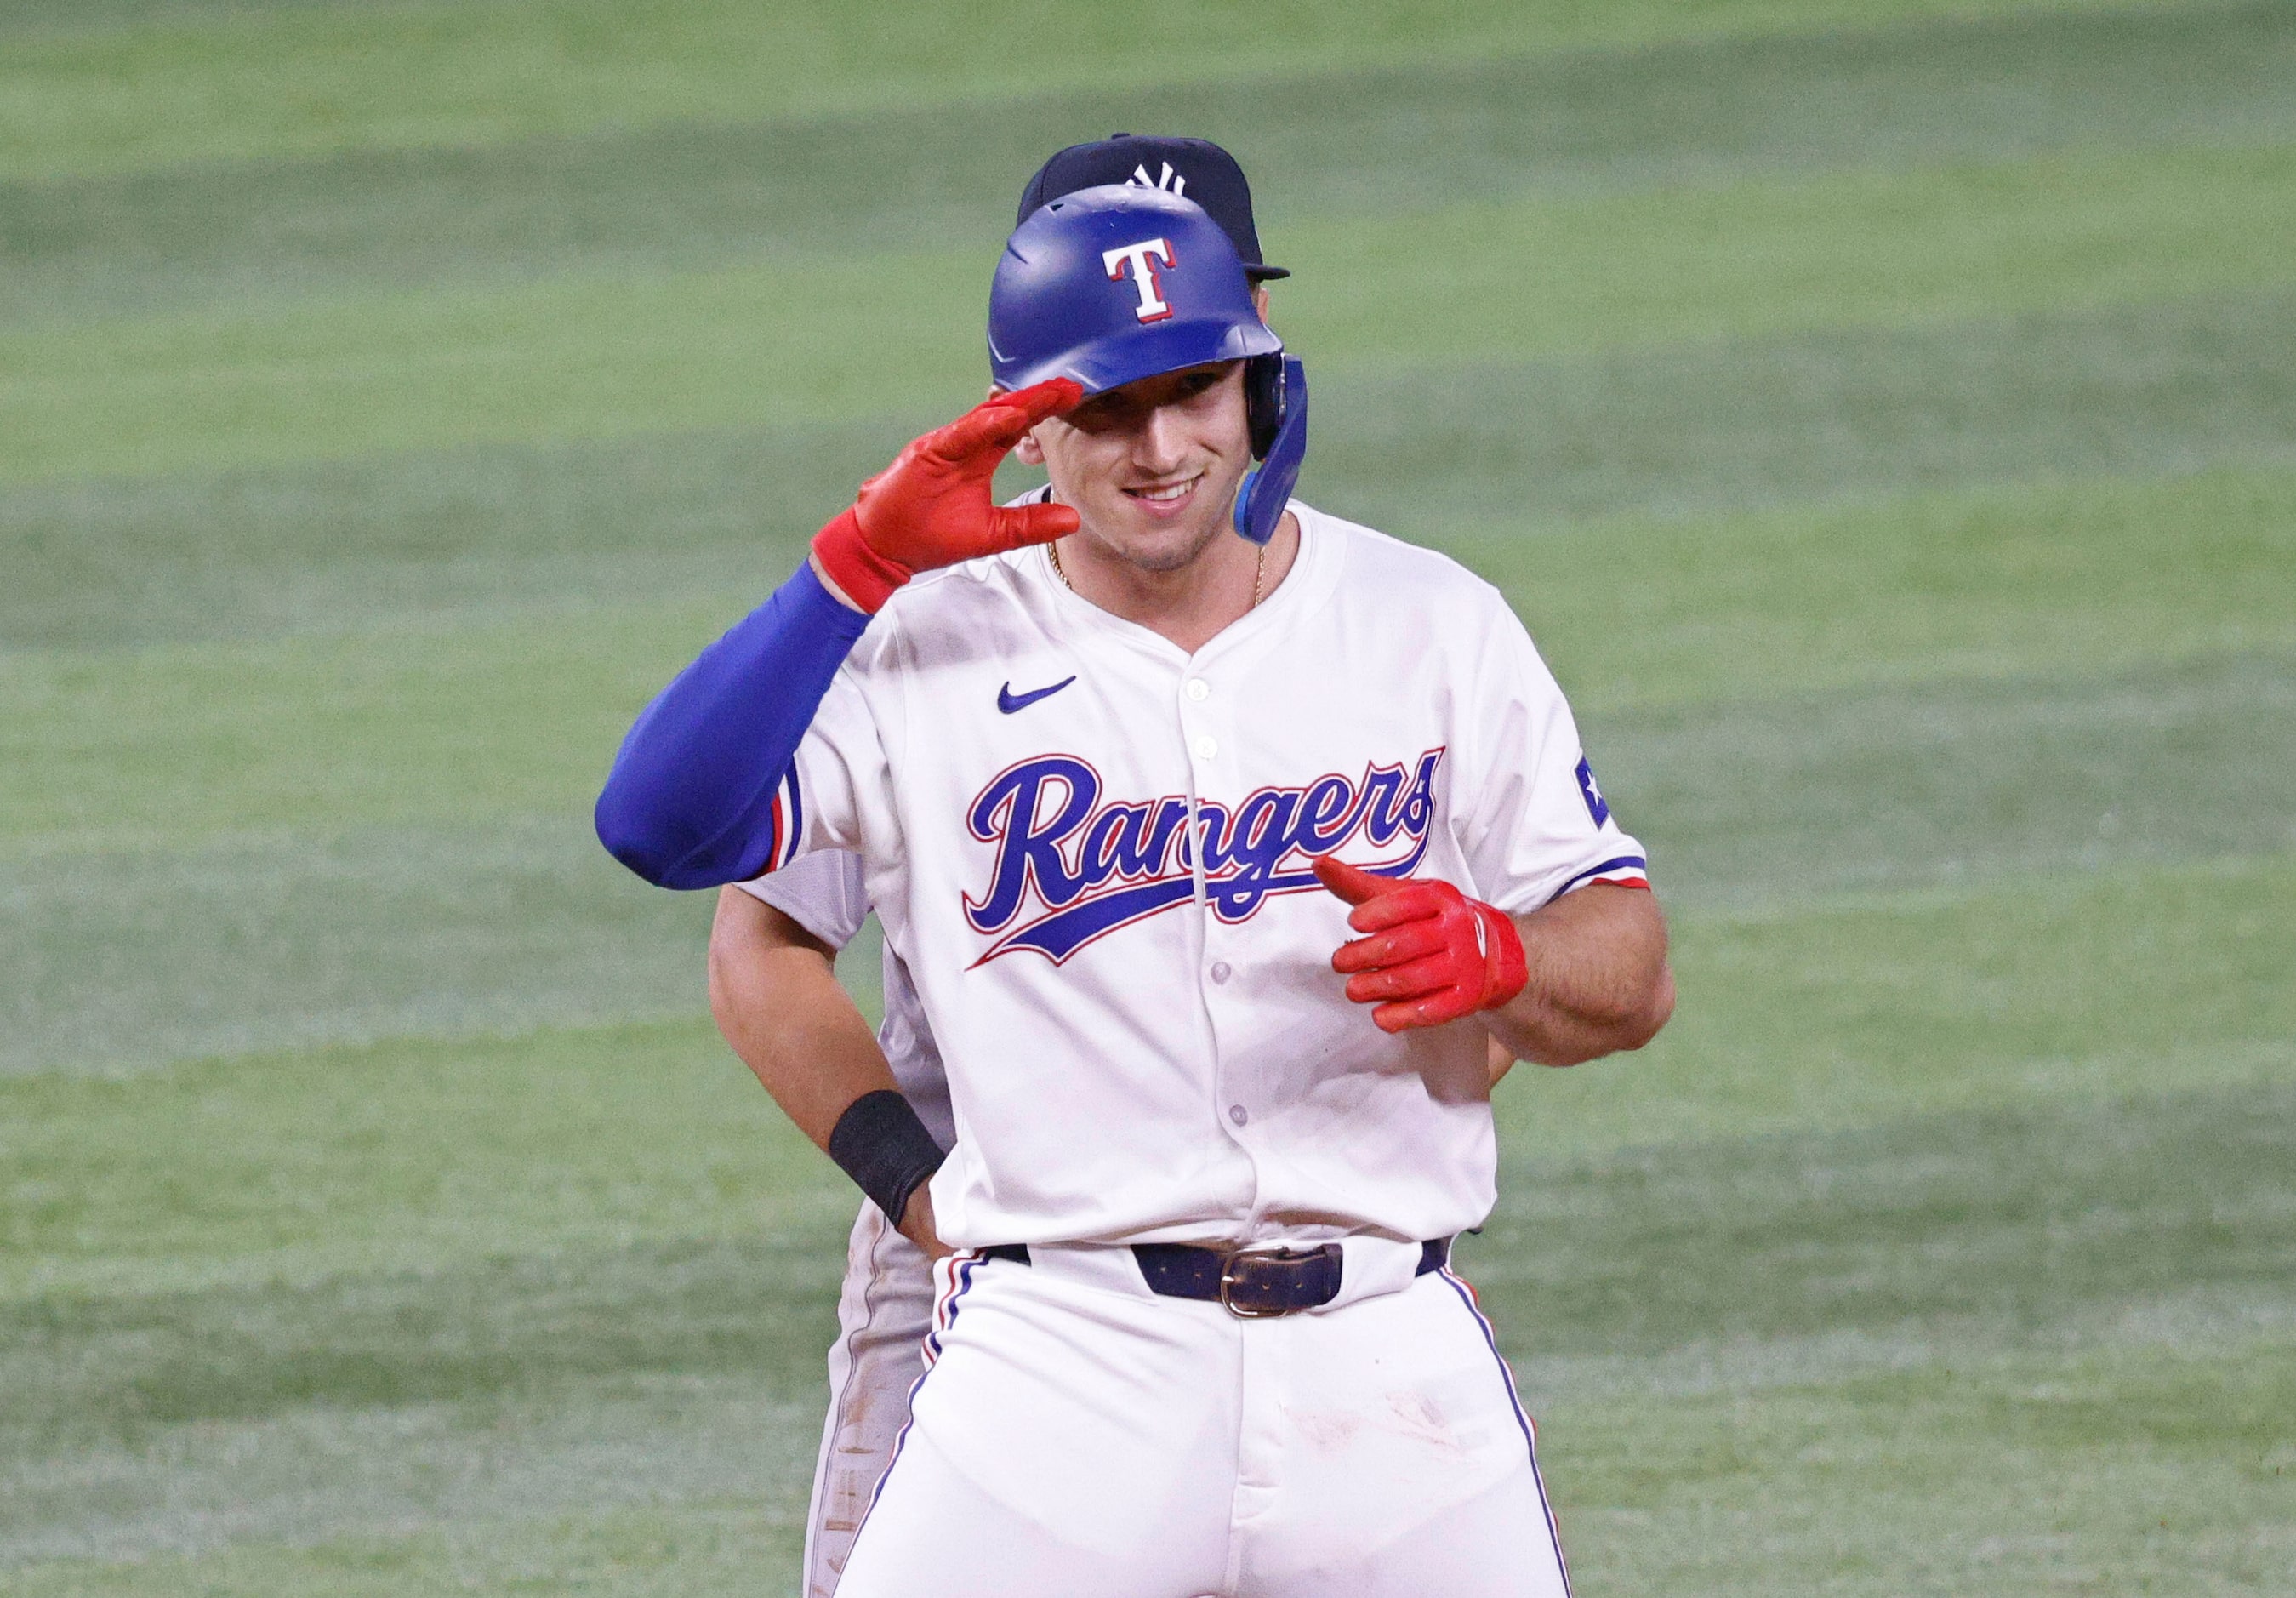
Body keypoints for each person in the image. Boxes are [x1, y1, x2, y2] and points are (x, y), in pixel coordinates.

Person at [597, 132, 1673, 1595]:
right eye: (1108, 408)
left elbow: (1628, 960)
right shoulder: (927, 646)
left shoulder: (1433, 621)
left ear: (1258, 373)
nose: (1161, 447)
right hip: (1058, 1356)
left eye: (1192, 391)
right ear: (1024, 422)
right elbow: (662, 836)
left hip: (1384, 1363)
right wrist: (852, 565)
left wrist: (1507, 955)